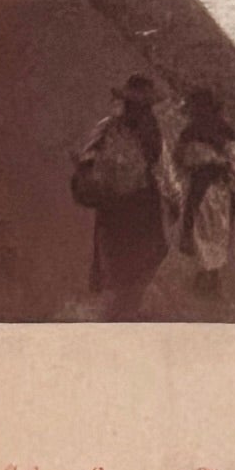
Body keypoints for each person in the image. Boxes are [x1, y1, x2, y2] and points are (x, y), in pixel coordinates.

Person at [76, 76, 181, 319]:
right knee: (146, 256)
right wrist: (176, 200)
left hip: (113, 208)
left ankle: (121, 305)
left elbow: (86, 155)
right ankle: (126, 309)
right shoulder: (151, 133)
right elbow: (165, 172)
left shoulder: (108, 126)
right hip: (143, 207)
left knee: (115, 256)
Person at [174, 87, 235, 301]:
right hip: (223, 191)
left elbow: (180, 160)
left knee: (202, 232)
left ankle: (208, 276)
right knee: (218, 232)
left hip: (201, 192)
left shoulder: (190, 134)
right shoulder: (224, 133)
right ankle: (210, 276)